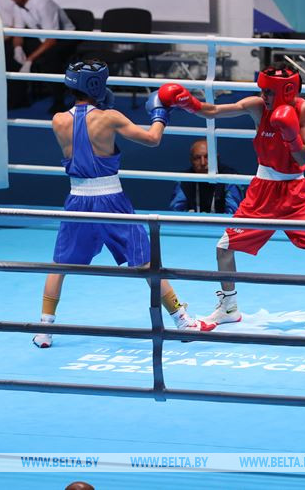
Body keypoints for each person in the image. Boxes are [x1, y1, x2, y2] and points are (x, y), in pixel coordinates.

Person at [32, 60, 215, 348]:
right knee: (147, 262)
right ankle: (182, 321)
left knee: (59, 265)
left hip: (77, 199)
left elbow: (82, 138)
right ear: (96, 85)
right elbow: (153, 139)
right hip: (111, 199)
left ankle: (44, 329)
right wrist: (161, 112)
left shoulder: (58, 120)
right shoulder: (110, 118)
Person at [157, 63, 305, 328]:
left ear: (286, 91)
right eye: (262, 90)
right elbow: (213, 111)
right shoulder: (258, 106)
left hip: (294, 192)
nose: (263, 96)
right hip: (262, 191)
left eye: (269, 92)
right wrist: (188, 103)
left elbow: (303, 159)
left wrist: (290, 134)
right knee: (224, 248)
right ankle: (229, 307)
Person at [8, 0, 75, 113]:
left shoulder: (44, 4)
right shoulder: (17, 5)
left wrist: (30, 59)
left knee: (50, 58)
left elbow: (51, 39)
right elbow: (18, 32)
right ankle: (18, 99)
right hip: (40, 36)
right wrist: (17, 48)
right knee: (9, 52)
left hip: (65, 37)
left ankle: (59, 101)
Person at [169, 139, 242, 214]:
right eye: (197, 158)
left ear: (217, 157)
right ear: (191, 160)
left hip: (221, 221)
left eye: (207, 157)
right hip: (192, 221)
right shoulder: (184, 179)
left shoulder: (229, 177)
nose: (203, 163)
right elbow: (176, 210)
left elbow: (233, 212)